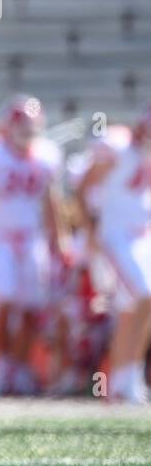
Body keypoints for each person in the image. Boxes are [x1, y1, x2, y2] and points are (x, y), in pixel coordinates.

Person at [0, 95, 64, 397]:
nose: (27, 130)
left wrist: (59, 238)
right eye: (21, 124)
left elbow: (51, 200)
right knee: (3, 303)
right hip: (1, 238)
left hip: (31, 238)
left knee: (31, 308)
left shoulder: (47, 155)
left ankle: (19, 369)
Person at [76, 104, 151, 404]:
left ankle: (126, 379)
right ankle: (124, 381)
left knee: (134, 310)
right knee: (144, 296)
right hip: (116, 238)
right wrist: (90, 232)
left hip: (141, 239)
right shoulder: (117, 146)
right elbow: (83, 189)